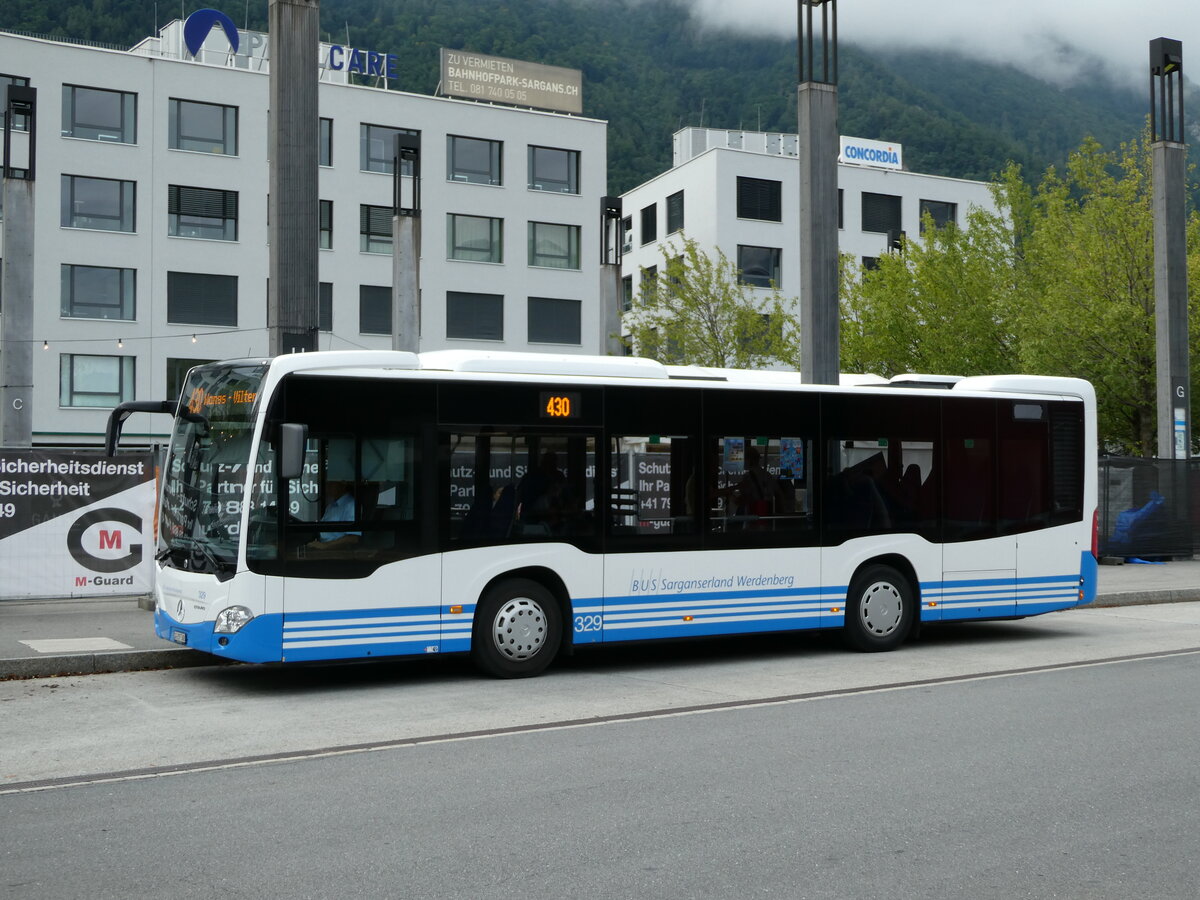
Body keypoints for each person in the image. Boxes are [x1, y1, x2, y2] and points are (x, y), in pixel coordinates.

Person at [309, 479, 361, 549]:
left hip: (338, 551)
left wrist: (326, 545)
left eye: (331, 483)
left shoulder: (351, 505)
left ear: (343, 484)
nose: (327, 486)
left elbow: (353, 538)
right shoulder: (331, 506)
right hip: (322, 547)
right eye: (327, 483)